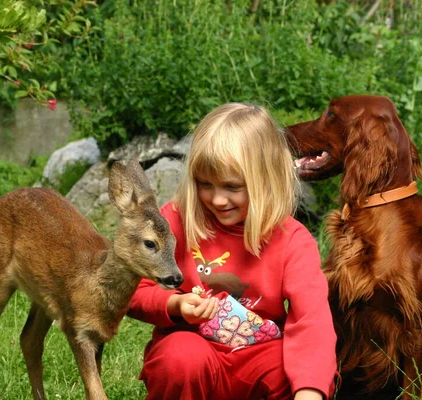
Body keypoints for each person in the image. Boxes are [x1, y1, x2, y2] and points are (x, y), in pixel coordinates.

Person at [127, 103, 337, 400]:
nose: (217, 199)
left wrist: (309, 391)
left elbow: (311, 322)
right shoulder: (174, 219)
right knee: (179, 358)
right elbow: (134, 289)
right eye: (205, 184)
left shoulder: (292, 240)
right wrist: (175, 305)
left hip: (258, 355)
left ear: (266, 181)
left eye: (232, 186)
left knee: (293, 369)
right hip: (194, 345)